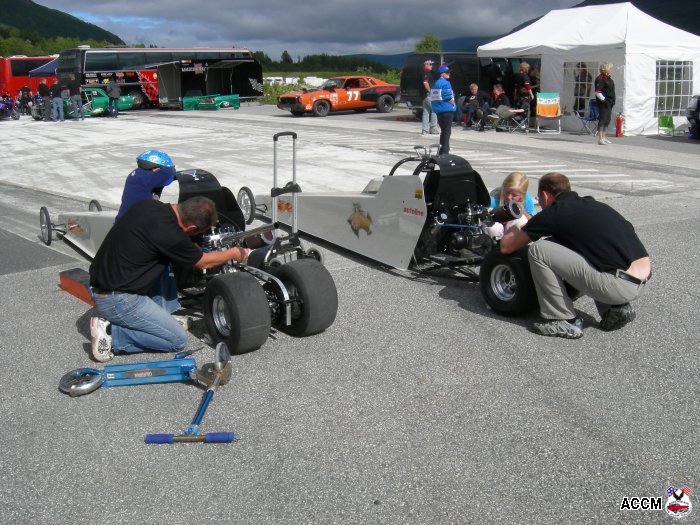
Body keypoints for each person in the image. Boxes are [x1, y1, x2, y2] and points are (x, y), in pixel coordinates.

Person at [89, 196, 251, 362]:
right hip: (117, 300)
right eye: (199, 232)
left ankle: (161, 319)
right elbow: (204, 262)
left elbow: (172, 244)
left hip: (107, 280)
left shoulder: (149, 205)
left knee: (166, 260)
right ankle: (111, 335)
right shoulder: (169, 234)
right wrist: (234, 253)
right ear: (192, 227)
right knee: (176, 340)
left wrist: (191, 248)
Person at [500, 172, 650, 339]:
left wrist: (514, 219)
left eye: (539, 199)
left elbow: (507, 247)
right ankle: (615, 308)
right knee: (582, 245)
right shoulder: (592, 204)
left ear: (545, 195)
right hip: (640, 278)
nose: (540, 204)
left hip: (617, 285)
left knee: (539, 250)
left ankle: (563, 319)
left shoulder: (555, 212)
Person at [116, 150, 180, 314]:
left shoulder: (138, 175)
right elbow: (170, 173)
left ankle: (159, 307)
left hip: (128, 226)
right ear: (155, 168)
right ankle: (164, 310)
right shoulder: (147, 177)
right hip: (135, 231)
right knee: (159, 263)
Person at [485, 172, 535, 240]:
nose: (509, 197)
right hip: (498, 228)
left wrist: (524, 212)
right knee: (493, 227)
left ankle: (514, 243)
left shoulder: (526, 199)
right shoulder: (495, 198)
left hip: (512, 232)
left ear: (522, 195)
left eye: (514, 195)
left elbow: (534, 222)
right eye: (507, 192)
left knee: (522, 220)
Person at [431, 65, 456, 155]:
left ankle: (442, 150)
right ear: (442, 74)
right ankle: (444, 152)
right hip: (447, 110)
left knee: (444, 131)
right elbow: (447, 96)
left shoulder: (435, 84)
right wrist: (452, 103)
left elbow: (434, 97)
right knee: (446, 132)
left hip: (439, 110)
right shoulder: (446, 83)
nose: (449, 74)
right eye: (447, 72)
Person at [594, 62, 615, 145]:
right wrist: (604, 100)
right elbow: (597, 92)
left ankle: (604, 137)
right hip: (603, 103)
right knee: (602, 120)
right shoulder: (600, 78)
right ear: (606, 69)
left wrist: (611, 101)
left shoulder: (608, 78)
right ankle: (600, 139)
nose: (611, 70)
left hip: (610, 102)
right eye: (610, 68)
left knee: (607, 120)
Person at [421, 60, 439, 135]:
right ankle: (433, 128)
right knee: (434, 109)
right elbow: (425, 83)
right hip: (428, 94)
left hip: (424, 95)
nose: (432, 66)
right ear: (426, 64)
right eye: (430, 64)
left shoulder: (429, 73)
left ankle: (424, 130)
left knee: (426, 112)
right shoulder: (425, 73)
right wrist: (430, 91)